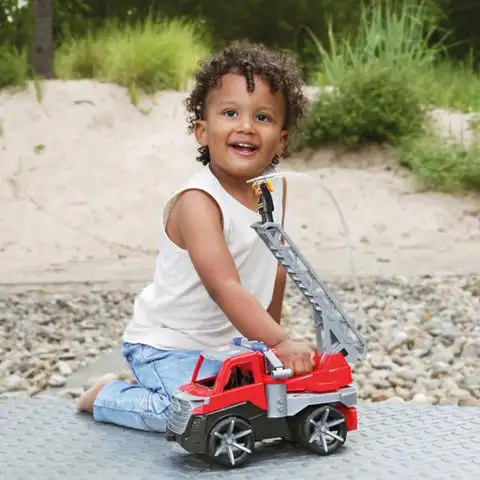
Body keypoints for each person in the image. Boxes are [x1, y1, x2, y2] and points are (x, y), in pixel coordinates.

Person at [76, 40, 313, 433]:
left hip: (223, 350)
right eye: (230, 113)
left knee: (261, 403)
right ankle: (106, 395)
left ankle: (182, 386)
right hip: (168, 346)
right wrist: (281, 342)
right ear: (203, 131)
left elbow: (276, 267)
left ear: (282, 140)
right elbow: (225, 287)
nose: (246, 126)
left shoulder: (273, 190)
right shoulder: (199, 202)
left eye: (263, 117)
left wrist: (265, 346)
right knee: (197, 416)